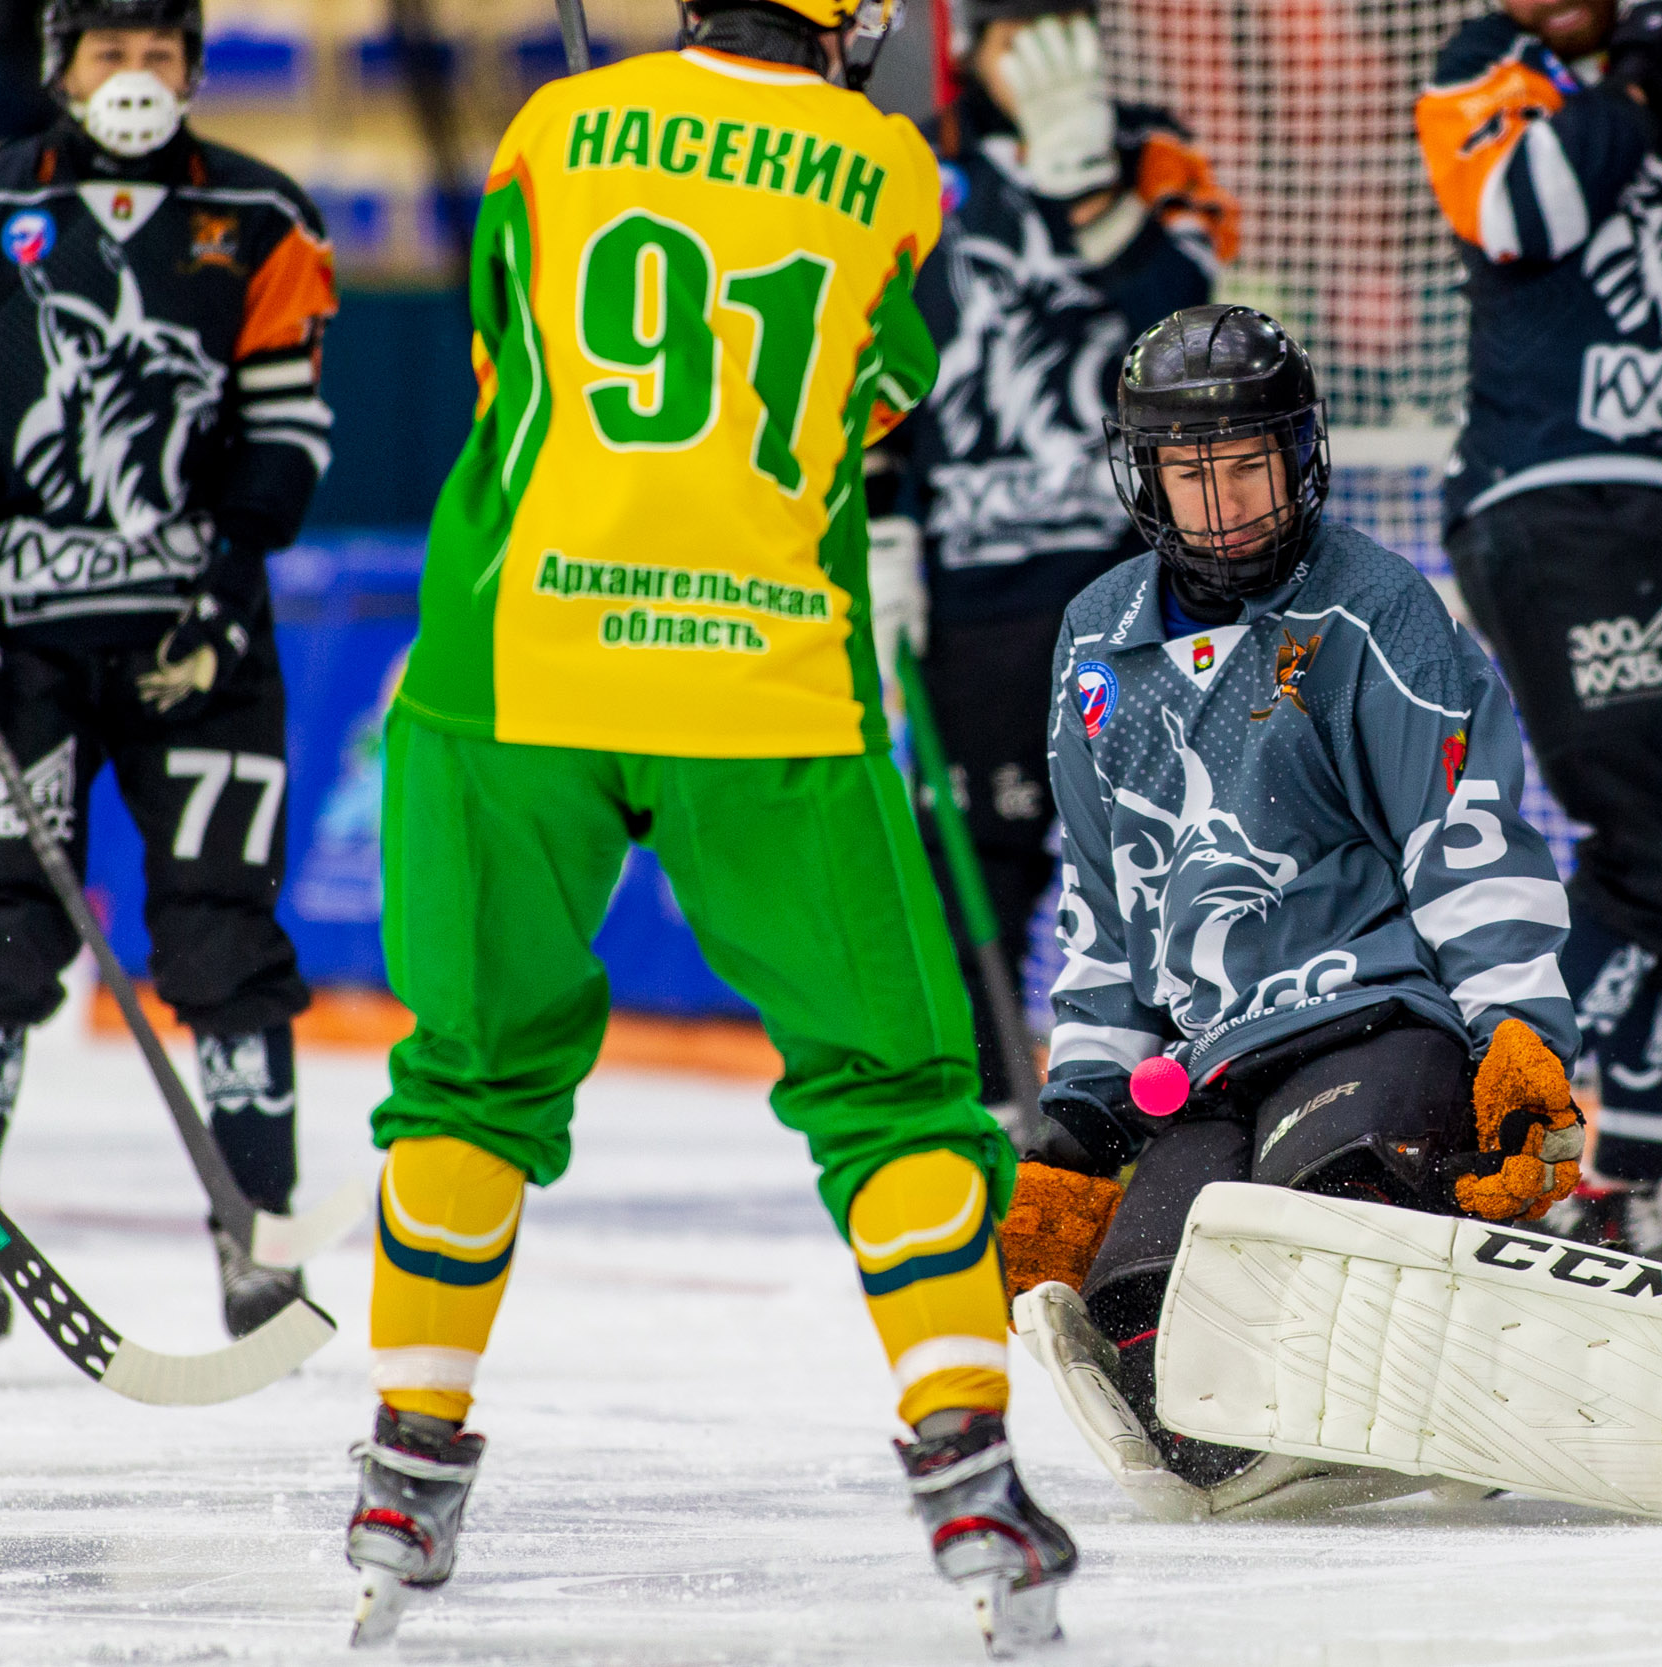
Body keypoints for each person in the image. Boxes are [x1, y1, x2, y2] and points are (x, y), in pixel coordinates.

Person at [337, 1, 1073, 1651]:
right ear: (855, 23)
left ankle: (405, 1466)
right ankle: (963, 1467)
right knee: (894, 1097)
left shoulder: (553, 128)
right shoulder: (894, 168)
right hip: (767, 677)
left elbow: (505, 360)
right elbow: (888, 393)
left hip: (507, 664)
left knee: (468, 1073)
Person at [994, 303, 1587, 1492]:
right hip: (1207, 1070)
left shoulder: (1376, 607)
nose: (1219, 502)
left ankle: (1458, 1352)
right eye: (1189, 470)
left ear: (1299, 455)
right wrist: (1083, 1116)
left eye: (1244, 465)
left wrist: (1519, 1036)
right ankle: (1324, 1424)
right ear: (1146, 475)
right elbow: (1108, 905)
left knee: (1328, 1211)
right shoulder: (1095, 640)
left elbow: (1463, 839)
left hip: (1372, 1022)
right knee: (1146, 1321)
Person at [0, 0, 336, 1373]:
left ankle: (263, 1238)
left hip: (203, 653)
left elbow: (285, 424)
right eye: (106, 52)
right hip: (22, 650)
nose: (133, 78)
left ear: (193, 66)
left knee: (226, 949)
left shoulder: (263, 218)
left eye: (158, 53)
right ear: (58, 65)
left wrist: (232, 568)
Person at [1414, 0, 1662, 1248]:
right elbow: (1523, 210)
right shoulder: (1483, 67)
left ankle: (1621, 1195)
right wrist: (1631, 78)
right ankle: (1477, 1136)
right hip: (1559, 500)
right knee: (1659, 856)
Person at [872, 0, 1237, 1115]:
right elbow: (868, 358)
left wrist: (1092, 192)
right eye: (1012, 25)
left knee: (1172, 857)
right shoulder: (909, 168)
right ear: (971, 42)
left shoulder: (1148, 149)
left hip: (1135, 589)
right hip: (974, 596)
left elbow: (1203, 330)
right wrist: (884, 532)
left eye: (1060, 20)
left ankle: (1179, 1109)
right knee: (971, 867)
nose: (1037, 47)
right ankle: (990, 1125)